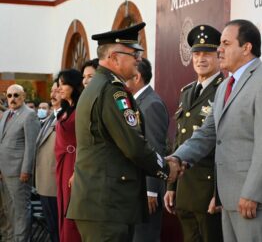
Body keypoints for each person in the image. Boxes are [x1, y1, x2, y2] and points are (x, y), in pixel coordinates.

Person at [170, 19, 262, 242]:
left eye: (226, 43)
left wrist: (252, 193)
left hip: (255, 199)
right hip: (229, 198)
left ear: (247, 48)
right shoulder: (226, 86)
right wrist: (178, 158)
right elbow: (207, 132)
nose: (219, 50)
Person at [66, 22, 180, 242]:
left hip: (102, 202)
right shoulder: (112, 92)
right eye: (133, 53)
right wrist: (166, 169)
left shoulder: (100, 86)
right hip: (108, 204)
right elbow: (134, 146)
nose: (138, 58)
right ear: (114, 57)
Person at [164, 24, 224, 242]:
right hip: (185, 187)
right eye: (196, 54)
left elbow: (224, 145)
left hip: (208, 190)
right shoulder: (186, 92)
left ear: (219, 56)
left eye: (207, 53)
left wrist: (219, 193)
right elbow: (178, 139)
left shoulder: (225, 90)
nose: (200, 59)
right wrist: (172, 185)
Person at [126, 58, 169, 242]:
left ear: (137, 77)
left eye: (125, 77)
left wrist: (151, 190)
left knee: (144, 237)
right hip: (133, 188)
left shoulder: (151, 104)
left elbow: (155, 148)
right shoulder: (134, 102)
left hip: (146, 191)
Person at [0, 84, 41, 242]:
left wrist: (26, 170)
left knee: (21, 211)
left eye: (16, 95)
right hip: (4, 172)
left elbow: (31, 146)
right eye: (9, 96)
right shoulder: (6, 114)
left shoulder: (29, 115)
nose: (12, 99)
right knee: (9, 210)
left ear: (23, 96)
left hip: (19, 173)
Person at [55, 69, 83, 242]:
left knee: (72, 212)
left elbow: (84, 141)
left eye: (63, 84)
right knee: (63, 207)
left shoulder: (81, 108)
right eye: (58, 85)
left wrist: (76, 171)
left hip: (75, 165)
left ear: (74, 85)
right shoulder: (64, 110)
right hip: (62, 165)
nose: (60, 88)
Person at [35, 80, 62, 242]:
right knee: (52, 229)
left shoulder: (68, 117)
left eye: (57, 90)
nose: (53, 94)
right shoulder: (51, 116)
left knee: (59, 231)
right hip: (44, 183)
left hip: (56, 183)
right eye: (52, 91)